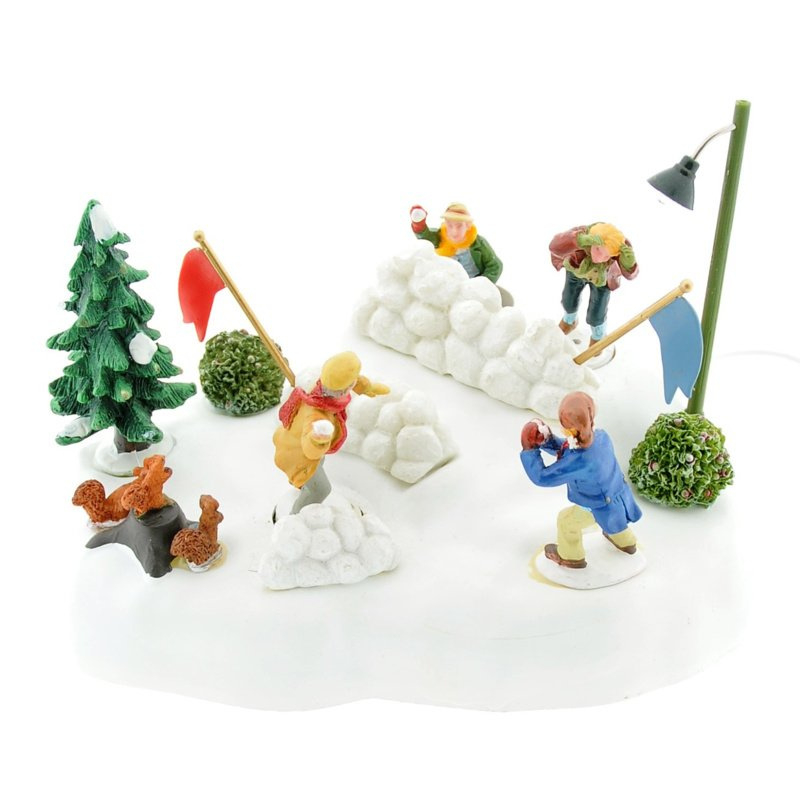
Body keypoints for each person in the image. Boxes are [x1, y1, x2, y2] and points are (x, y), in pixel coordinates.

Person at [519, 392, 641, 569]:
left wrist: (529, 450)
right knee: (616, 521)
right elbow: (569, 450)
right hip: (618, 495)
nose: (562, 429)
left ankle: (571, 556)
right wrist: (547, 440)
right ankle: (626, 542)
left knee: (566, 521)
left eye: (565, 426)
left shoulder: (580, 461)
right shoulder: (602, 437)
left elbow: (542, 477)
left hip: (597, 505)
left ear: (572, 429)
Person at [273, 352, 389, 515]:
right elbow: (310, 451)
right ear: (342, 390)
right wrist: (318, 440)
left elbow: (353, 381)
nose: (353, 384)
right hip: (297, 455)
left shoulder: (327, 388)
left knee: (319, 463)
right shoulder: (317, 415)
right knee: (321, 489)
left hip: (300, 446)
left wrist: (368, 387)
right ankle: (295, 517)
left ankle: (304, 486)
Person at [549, 222, 638, 345]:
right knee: (568, 300)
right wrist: (577, 240)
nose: (600, 258)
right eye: (597, 250)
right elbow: (554, 246)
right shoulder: (582, 235)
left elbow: (631, 274)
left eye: (606, 256)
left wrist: (629, 265)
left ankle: (598, 336)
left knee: (597, 314)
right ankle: (569, 321)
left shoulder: (619, 247)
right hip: (576, 270)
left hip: (601, 279)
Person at [410, 202, 503, 284]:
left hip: (471, 286)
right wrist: (418, 223)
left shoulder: (478, 243)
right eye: (450, 226)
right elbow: (425, 236)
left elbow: (495, 266)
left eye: (459, 226)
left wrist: (483, 284)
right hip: (446, 284)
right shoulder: (440, 237)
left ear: (468, 225)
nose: (454, 232)